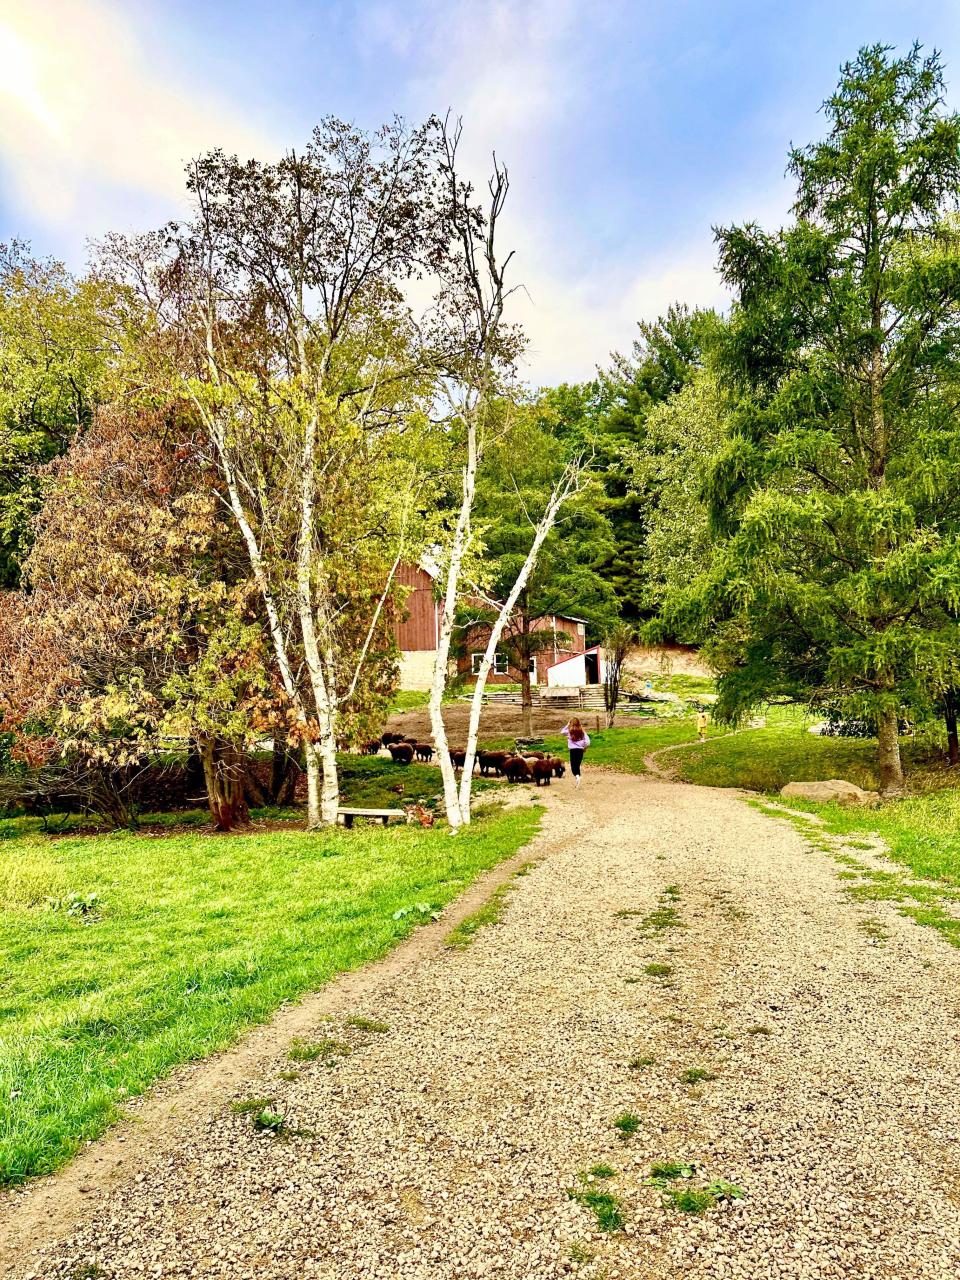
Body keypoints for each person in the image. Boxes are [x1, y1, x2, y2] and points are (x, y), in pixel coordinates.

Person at [561, 717, 591, 787]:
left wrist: (567, 725)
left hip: (573, 750)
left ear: (571, 723)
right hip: (580, 750)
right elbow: (588, 742)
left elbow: (562, 732)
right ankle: (578, 778)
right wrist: (585, 747)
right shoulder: (582, 732)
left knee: (573, 766)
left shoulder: (569, 731)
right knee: (577, 765)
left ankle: (577, 776)